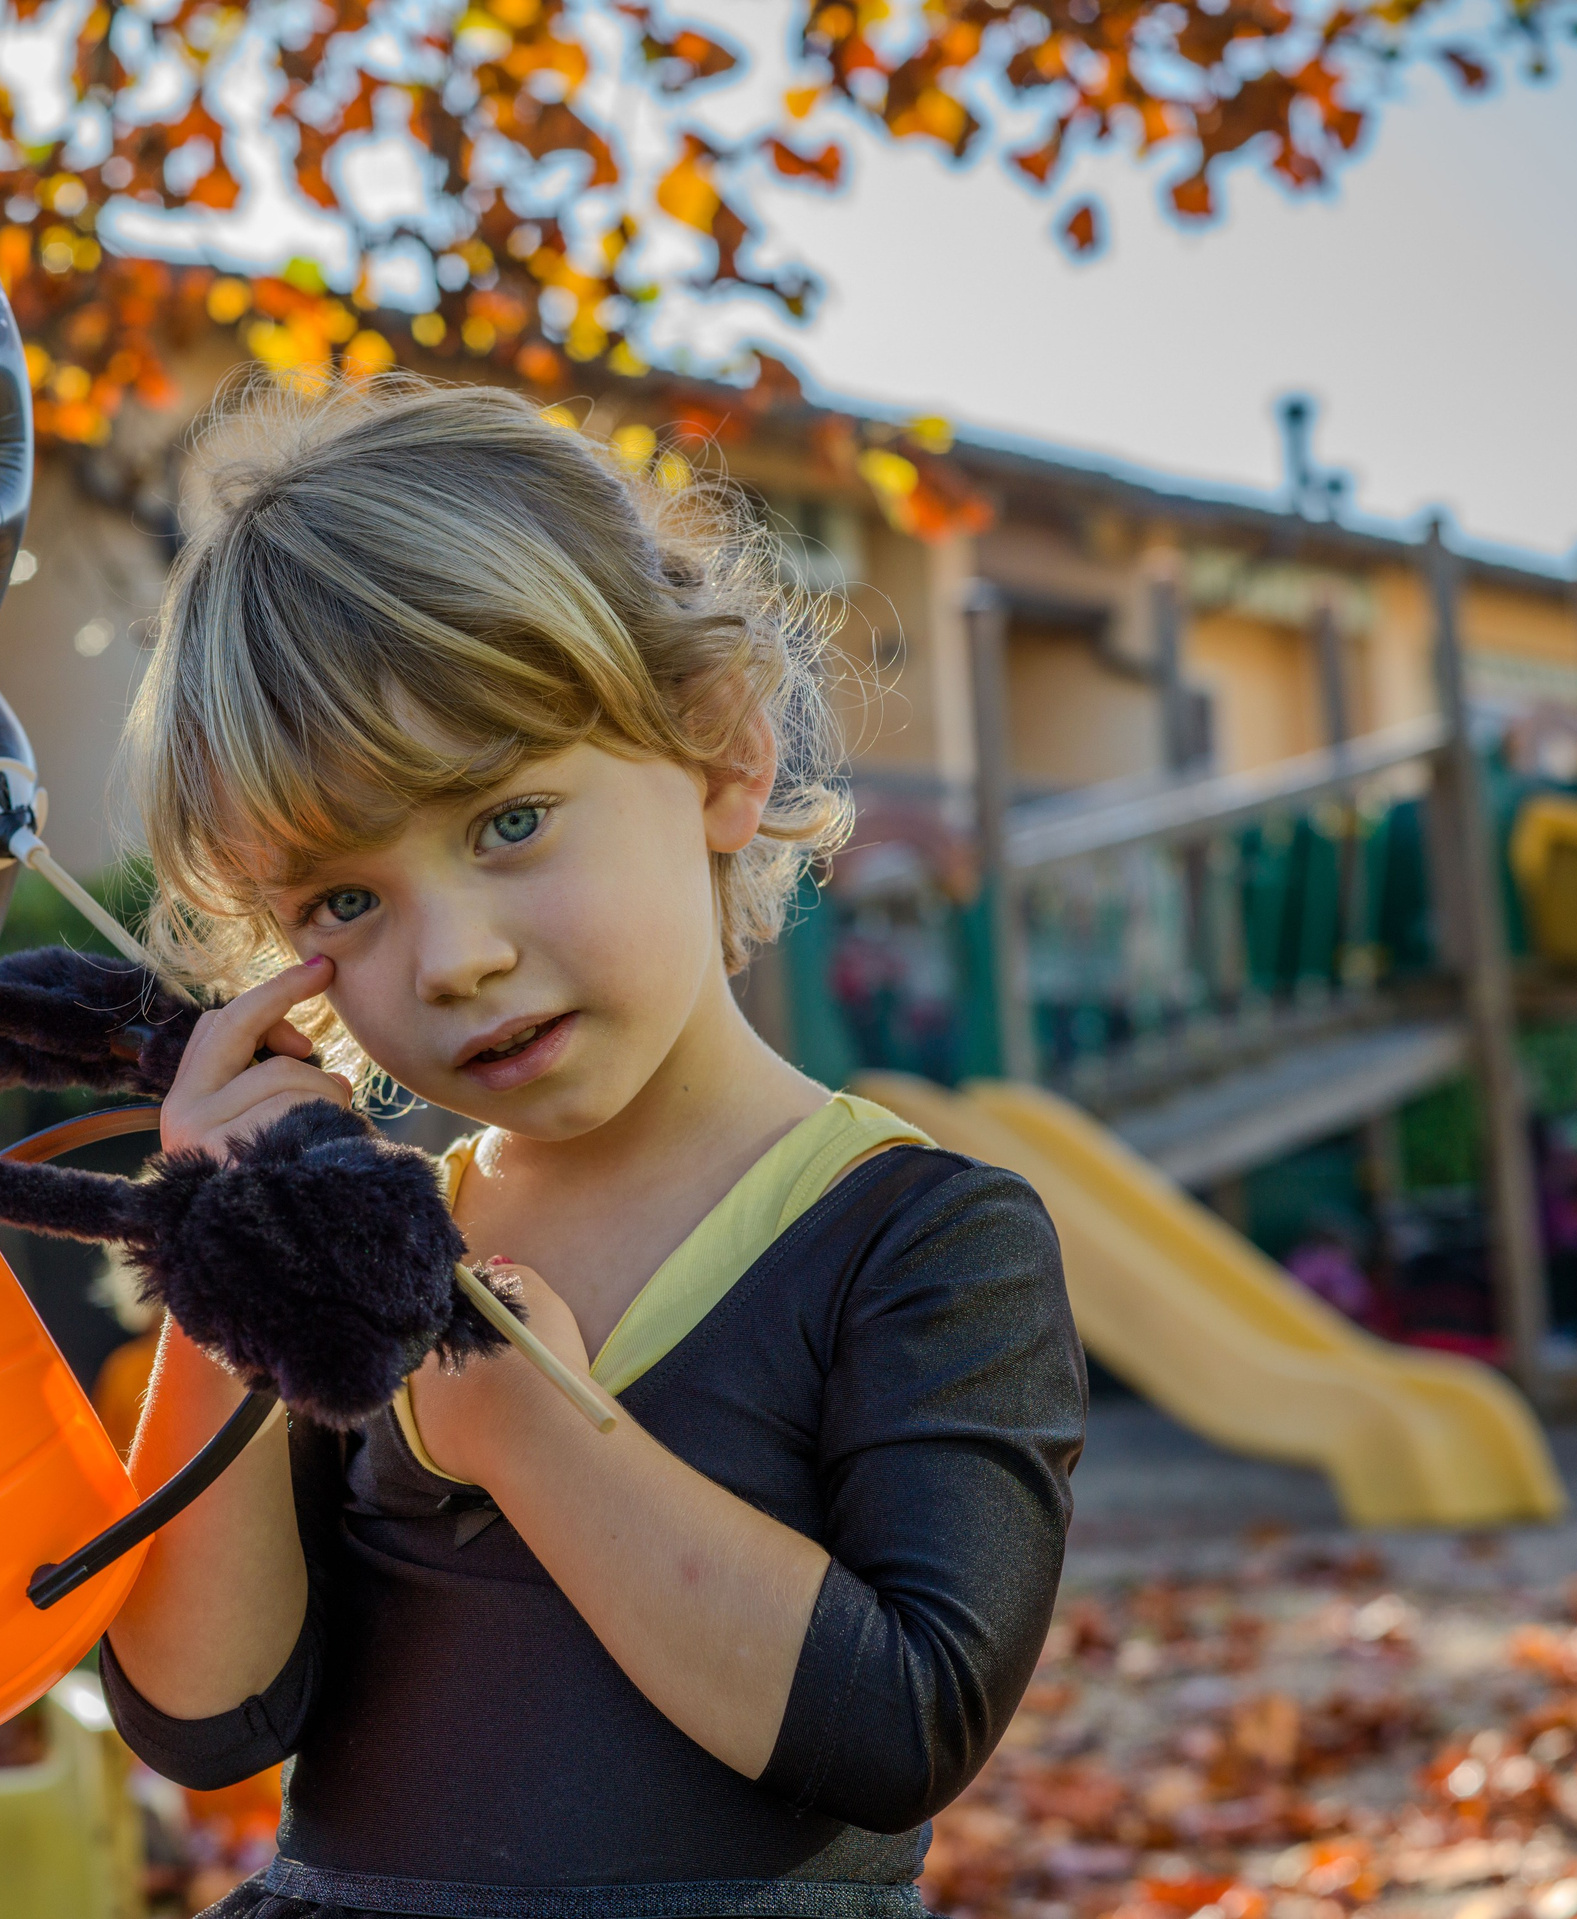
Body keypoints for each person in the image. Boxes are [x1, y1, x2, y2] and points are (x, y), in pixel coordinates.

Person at [99, 372, 1084, 1911]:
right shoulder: (373, 1248)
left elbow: (905, 1722)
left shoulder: (920, 1239)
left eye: (506, 822)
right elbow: (203, 1714)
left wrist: (534, 1432)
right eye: (342, 902)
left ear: (720, 758)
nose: (454, 959)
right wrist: (231, 1284)